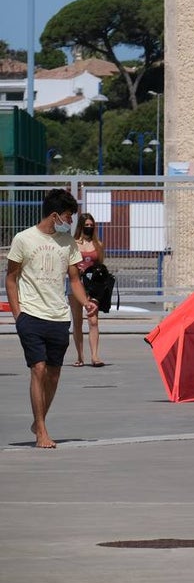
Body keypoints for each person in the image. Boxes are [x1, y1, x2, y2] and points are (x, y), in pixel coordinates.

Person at [6, 189, 98, 448]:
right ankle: (42, 432)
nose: (70, 222)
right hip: (31, 316)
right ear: (55, 214)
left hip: (58, 317)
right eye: (68, 216)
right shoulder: (23, 239)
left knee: (54, 374)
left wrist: (85, 302)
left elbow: (74, 280)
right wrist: (18, 315)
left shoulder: (67, 242)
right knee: (39, 369)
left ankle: (39, 420)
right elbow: (11, 278)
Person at [70, 212, 106, 367]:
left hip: (93, 287)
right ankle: (80, 356)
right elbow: (68, 265)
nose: (89, 228)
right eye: (87, 225)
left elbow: (101, 266)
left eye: (91, 225)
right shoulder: (73, 244)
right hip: (76, 285)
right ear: (81, 226)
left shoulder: (98, 244)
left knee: (93, 320)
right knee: (77, 322)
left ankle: (95, 356)